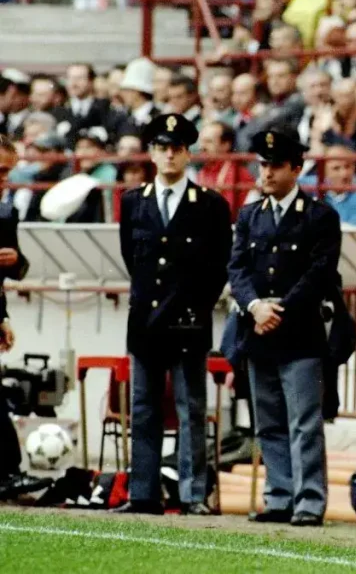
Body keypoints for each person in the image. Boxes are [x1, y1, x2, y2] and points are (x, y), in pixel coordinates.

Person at [115, 114, 233, 515]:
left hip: (188, 321)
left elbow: (219, 266)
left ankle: (193, 494)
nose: (169, 155)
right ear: (151, 152)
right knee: (144, 410)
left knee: (191, 411)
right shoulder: (133, 202)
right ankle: (142, 492)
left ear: (187, 154)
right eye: (163, 148)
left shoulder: (211, 205)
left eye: (177, 148)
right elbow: (134, 259)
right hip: (146, 322)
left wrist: (195, 308)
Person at [228, 127, 342, 527]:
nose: (267, 173)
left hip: (299, 334)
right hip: (259, 332)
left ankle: (309, 500)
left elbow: (320, 273)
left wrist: (280, 310)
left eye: (276, 166)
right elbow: (238, 268)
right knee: (270, 423)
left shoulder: (319, 216)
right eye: (263, 165)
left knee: (304, 423)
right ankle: (279, 495)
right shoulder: (249, 215)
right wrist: (256, 307)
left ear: (297, 167)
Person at [0, 134, 48, 501]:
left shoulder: (6, 211)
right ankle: (8, 471)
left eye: (8, 172)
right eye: (0, 171)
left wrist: (2, 317)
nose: (4, 180)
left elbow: (14, 266)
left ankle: (8, 472)